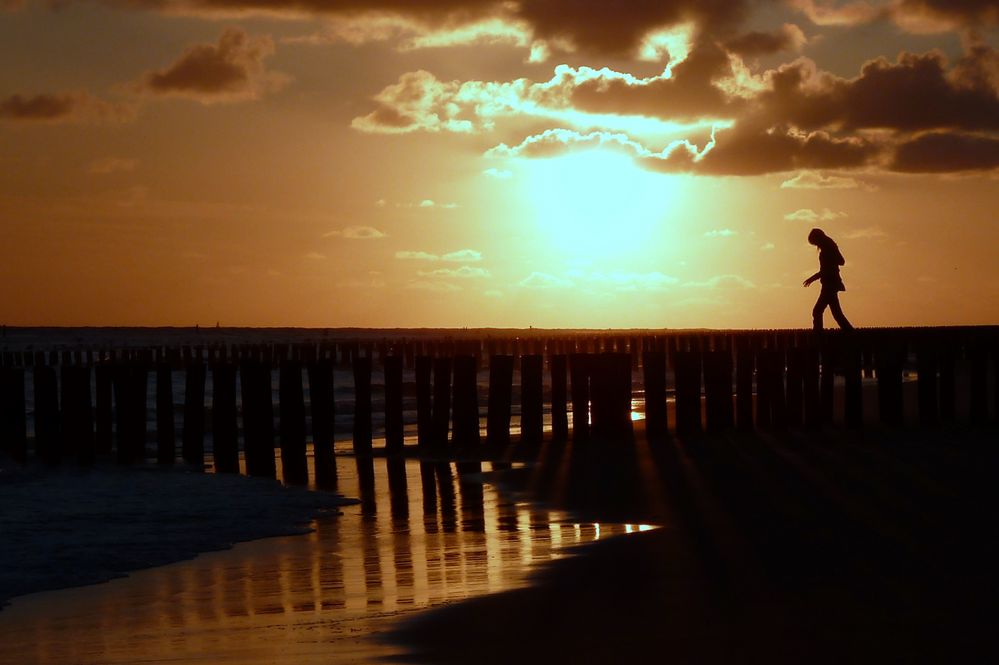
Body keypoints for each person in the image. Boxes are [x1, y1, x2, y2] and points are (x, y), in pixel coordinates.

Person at [802, 228, 854, 331]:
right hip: (830, 284)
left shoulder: (827, 249)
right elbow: (838, 262)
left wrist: (812, 279)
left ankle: (818, 336)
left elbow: (830, 267)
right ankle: (851, 334)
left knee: (818, 311)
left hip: (830, 284)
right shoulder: (829, 247)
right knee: (837, 314)